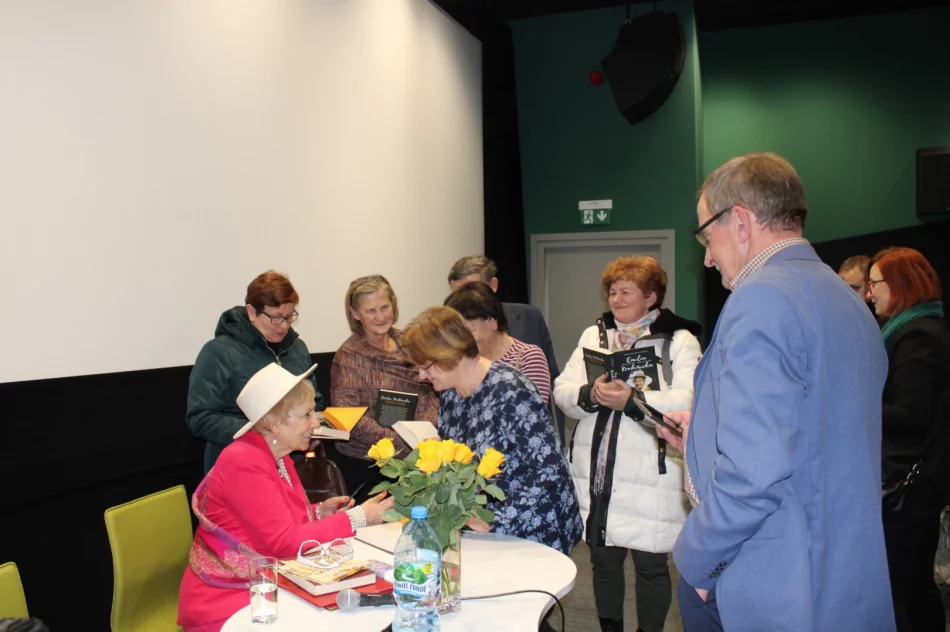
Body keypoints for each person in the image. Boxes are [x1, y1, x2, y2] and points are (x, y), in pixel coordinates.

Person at [657, 152, 894, 631]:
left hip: (770, 580)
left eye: (707, 235)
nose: (706, 255)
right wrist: (705, 436)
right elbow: (817, 430)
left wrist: (698, 561)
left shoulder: (760, 298)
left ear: (740, 222)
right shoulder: (846, 301)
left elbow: (755, 474)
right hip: (841, 576)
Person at [178, 363, 394, 632]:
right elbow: (284, 543)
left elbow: (274, 524)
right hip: (231, 603)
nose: (315, 422)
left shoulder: (277, 455)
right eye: (306, 414)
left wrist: (318, 512)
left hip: (266, 585)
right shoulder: (244, 461)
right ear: (273, 423)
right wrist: (357, 517)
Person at [553, 255, 701, 632]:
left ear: (651, 297)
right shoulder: (594, 336)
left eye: (627, 292)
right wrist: (592, 392)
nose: (616, 299)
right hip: (598, 472)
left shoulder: (679, 340)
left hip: (651, 473)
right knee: (603, 561)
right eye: (612, 291)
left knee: (652, 566)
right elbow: (562, 391)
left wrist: (633, 402)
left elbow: (690, 399)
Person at [401, 306, 582, 555]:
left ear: (450, 354)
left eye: (427, 366)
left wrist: (493, 516)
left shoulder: (510, 390)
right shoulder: (451, 392)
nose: (421, 376)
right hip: (486, 530)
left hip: (533, 528)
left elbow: (550, 470)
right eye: (417, 367)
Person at [867, 247, 950, 632]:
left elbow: (911, 416)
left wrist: (853, 404)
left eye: (874, 283)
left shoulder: (916, 336)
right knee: (912, 586)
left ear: (900, 284)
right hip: (916, 485)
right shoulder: (919, 330)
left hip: (908, 488)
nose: (869, 294)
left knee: (903, 589)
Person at [187, 271, 322, 473]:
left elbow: (314, 399)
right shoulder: (219, 352)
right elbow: (200, 418)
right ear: (251, 312)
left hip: (292, 467)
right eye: (276, 318)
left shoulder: (297, 348)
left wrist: (313, 427)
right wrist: (261, 433)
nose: (284, 326)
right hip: (238, 467)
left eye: (289, 316)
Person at [330, 275, 439, 498]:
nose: (380, 316)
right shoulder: (348, 357)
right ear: (354, 313)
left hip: (420, 454)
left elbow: (432, 390)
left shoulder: (411, 342)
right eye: (371, 311)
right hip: (367, 465)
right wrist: (401, 441)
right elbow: (349, 418)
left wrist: (423, 431)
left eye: (384, 307)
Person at [447, 255, 564, 442]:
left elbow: (540, 402)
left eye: (471, 289)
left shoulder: (528, 333)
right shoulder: (459, 351)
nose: (463, 300)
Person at [444, 281, 551, 401]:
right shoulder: (460, 359)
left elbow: (533, 412)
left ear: (493, 321)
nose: (463, 341)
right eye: (457, 334)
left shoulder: (528, 357)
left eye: (470, 331)